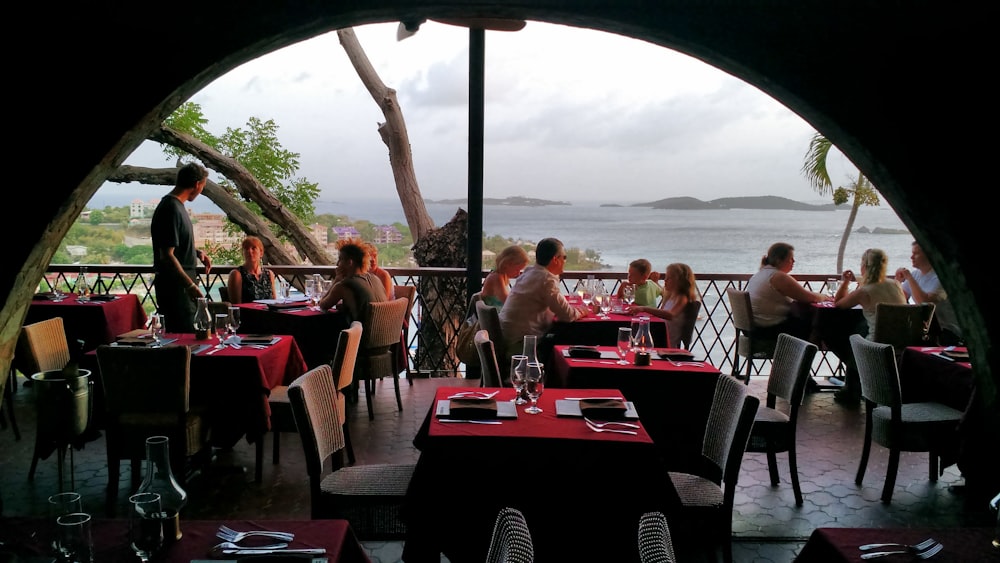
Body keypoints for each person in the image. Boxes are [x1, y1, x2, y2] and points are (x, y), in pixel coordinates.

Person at [829, 247, 907, 403]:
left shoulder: (864, 291)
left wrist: (845, 282)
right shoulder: (895, 284)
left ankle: (852, 388)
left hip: (876, 343)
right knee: (861, 327)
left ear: (864, 266)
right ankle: (853, 386)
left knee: (840, 337)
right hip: (903, 342)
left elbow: (838, 304)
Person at [499, 238, 590, 363]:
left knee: (561, 335)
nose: (565, 261)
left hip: (507, 338)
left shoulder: (530, 273)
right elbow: (568, 315)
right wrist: (586, 310)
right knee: (576, 338)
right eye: (564, 257)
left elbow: (556, 307)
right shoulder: (546, 279)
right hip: (522, 345)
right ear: (555, 259)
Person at [150, 162, 213, 333]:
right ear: (196, 184)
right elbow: (167, 255)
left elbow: (174, 245)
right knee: (184, 337)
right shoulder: (171, 209)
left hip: (180, 288)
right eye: (203, 187)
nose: (201, 191)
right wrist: (190, 286)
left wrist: (197, 253)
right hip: (176, 289)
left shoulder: (176, 207)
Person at [746, 242, 831, 340]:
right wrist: (826, 297)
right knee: (818, 325)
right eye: (791, 258)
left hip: (755, 329)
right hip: (768, 330)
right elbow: (808, 297)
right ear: (779, 261)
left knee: (810, 322)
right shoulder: (777, 276)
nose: (794, 261)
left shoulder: (760, 274)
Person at [894, 241, 963, 345]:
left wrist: (909, 278)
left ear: (929, 255)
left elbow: (925, 302)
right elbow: (899, 297)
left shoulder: (941, 278)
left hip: (946, 332)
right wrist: (897, 280)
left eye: (916, 253)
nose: (911, 257)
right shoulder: (915, 275)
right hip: (924, 330)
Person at [628, 263, 699, 348]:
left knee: (632, 335)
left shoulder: (682, 297)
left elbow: (670, 315)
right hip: (659, 332)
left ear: (679, 281)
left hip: (666, 340)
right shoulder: (670, 296)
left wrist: (644, 308)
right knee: (632, 329)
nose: (665, 280)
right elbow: (660, 315)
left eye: (669, 278)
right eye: (665, 277)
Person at [318, 239, 388, 323]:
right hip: (387, 333)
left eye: (340, 259)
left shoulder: (344, 285)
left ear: (349, 262)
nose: (337, 264)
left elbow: (323, 305)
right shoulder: (376, 279)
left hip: (361, 334)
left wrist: (337, 280)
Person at [227, 236, 277, 304]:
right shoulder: (237, 274)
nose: (250, 251)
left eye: (253, 248)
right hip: (248, 313)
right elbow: (236, 306)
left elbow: (275, 301)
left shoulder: (269, 274)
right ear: (243, 253)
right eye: (246, 248)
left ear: (261, 253)